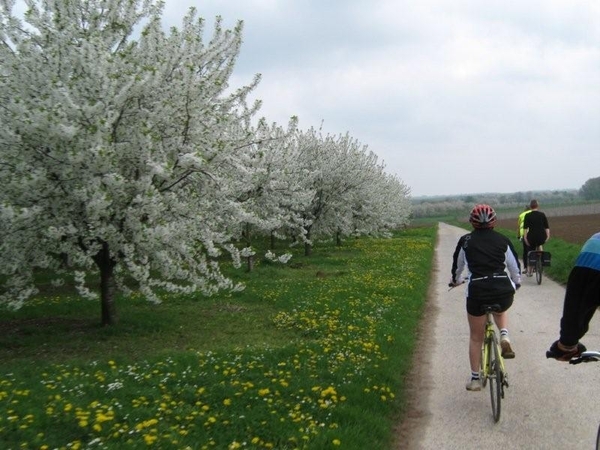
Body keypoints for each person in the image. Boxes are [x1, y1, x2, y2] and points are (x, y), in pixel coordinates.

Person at [449, 204, 522, 391]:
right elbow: (514, 267)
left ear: (472, 222)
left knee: (476, 337)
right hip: (502, 289)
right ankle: (504, 334)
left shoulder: (465, 241)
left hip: (477, 293)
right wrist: (517, 281)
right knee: (501, 305)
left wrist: (455, 280)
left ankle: (475, 379)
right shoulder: (502, 240)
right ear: (493, 221)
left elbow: (458, 267)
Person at [547, 232, 600, 361]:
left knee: (575, 311)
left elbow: (574, 307)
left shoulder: (594, 239)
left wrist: (567, 345)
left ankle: (567, 347)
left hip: (583, 270)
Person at [523, 199, 550, 276]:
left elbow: (525, 229)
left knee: (531, 252)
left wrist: (525, 238)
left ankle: (530, 271)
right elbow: (547, 227)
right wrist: (547, 237)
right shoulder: (542, 215)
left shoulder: (527, 216)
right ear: (538, 206)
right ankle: (542, 260)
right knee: (540, 244)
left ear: (530, 207)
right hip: (542, 237)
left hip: (531, 237)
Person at [517, 204, 531, 274]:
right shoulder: (533, 213)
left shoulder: (521, 215)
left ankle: (526, 268)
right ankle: (535, 265)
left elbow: (519, 227)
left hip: (524, 233)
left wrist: (519, 236)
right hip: (533, 233)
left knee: (526, 251)